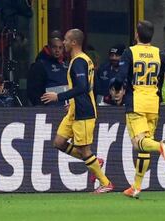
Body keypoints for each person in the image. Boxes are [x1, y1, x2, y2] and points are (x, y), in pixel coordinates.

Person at [110, 20, 165, 198]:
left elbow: (120, 76)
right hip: (153, 104)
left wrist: (117, 90)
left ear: (136, 35)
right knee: (144, 145)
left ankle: (161, 147)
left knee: (138, 142)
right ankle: (136, 187)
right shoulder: (160, 54)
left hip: (136, 103)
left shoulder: (130, 52)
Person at [41, 29, 113, 193]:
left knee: (84, 150)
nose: (63, 43)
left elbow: (82, 87)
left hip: (84, 110)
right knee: (59, 142)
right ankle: (95, 162)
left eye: (66, 40)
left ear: (73, 42)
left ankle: (105, 182)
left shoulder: (79, 61)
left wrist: (58, 97)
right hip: (74, 109)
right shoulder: (81, 60)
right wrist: (70, 102)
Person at [27, 35, 68, 106]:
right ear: (49, 48)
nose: (57, 50)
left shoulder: (65, 65)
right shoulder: (39, 66)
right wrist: (41, 108)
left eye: (60, 48)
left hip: (66, 108)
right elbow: (33, 92)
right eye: (54, 47)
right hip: (49, 109)